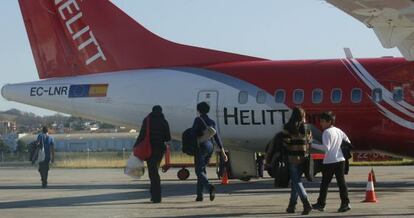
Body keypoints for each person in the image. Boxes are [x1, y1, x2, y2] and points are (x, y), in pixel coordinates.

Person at [311, 111, 351, 213]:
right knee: (341, 183)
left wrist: (311, 145)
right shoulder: (339, 131)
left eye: (323, 121)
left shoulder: (326, 132)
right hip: (340, 159)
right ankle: (345, 203)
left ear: (329, 122)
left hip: (330, 161)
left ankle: (321, 204)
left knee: (325, 184)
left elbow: (326, 148)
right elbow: (348, 142)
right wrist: (339, 148)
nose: (321, 124)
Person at [192, 102, 228, 202]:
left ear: (198, 110)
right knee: (202, 170)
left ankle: (209, 187)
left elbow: (193, 133)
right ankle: (199, 195)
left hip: (201, 146)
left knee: (198, 171)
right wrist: (223, 152)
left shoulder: (198, 120)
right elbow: (217, 137)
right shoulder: (212, 121)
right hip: (210, 147)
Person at [135, 105, 171, 203]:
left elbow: (142, 135)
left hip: (149, 149)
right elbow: (168, 138)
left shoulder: (147, 121)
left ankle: (156, 197)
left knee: (153, 173)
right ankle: (155, 195)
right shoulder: (164, 122)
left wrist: (136, 147)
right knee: (154, 171)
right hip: (159, 150)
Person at [282, 107, 312, 215]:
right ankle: (292, 205)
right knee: (296, 182)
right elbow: (309, 141)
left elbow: (286, 142)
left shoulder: (288, 127)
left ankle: (306, 203)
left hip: (292, 158)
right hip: (303, 158)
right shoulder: (306, 127)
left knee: (296, 182)